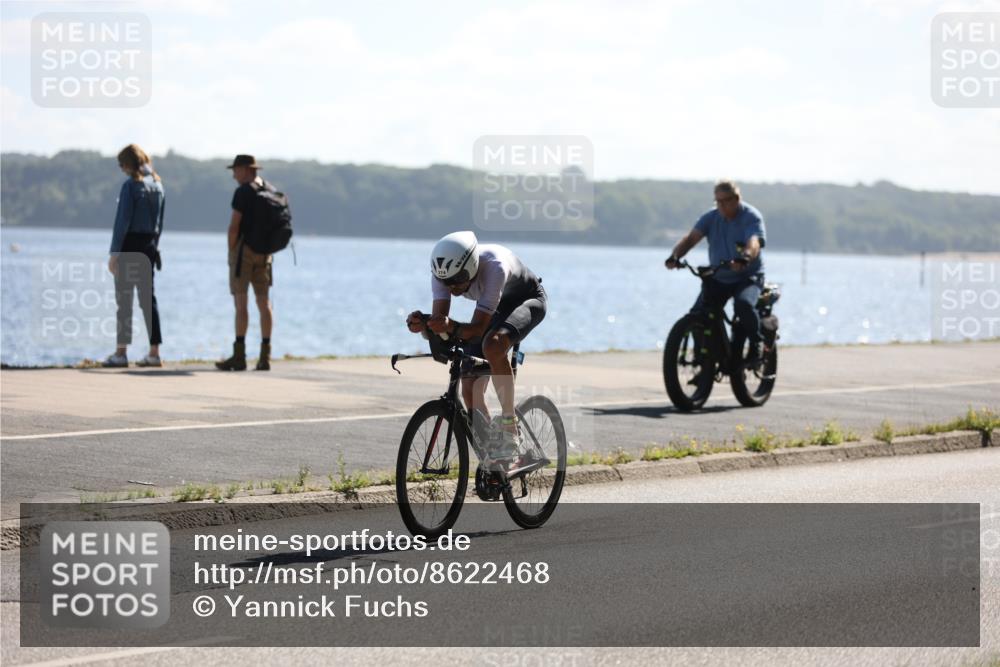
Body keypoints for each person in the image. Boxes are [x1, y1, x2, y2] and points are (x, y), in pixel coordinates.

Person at [406, 231, 546, 461]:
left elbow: (477, 330)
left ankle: (510, 427)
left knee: (493, 345)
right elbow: (443, 326)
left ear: (471, 266)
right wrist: (425, 325)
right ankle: (494, 459)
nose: (451, 287)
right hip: (494, 306)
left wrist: (447, 326)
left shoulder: (494, 267)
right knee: (469, 385)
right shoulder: (443, 273)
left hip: (527, 299)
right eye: (446, 282)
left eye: (458, 279)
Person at [666, 180, 768, 365]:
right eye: (717, 201)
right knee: (698, 315)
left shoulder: (750, 217)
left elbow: (754, 242)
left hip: (748, 277)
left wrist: (745, 257)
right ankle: (704, 362)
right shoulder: (711, 218)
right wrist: (675, 256)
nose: (721, 205)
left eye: (725, 201)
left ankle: (757, 343)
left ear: (736, 199)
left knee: (744, 305)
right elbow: (690, 239)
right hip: (719, 277)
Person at [104, 144, 165, 368]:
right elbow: (160, 223)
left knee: (124, 300)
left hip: (130, 244)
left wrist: (114, 254)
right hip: (149, 245)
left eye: (121, 164)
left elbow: (122, 222)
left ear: (129, 164)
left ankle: (121, 353)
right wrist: (154, 247)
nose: (121, 169)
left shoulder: (131, 187)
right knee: (148, 300)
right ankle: (154, 352)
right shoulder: (158, 186)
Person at [217, 154, 274, 371]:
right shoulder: (269, 188)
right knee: (264, 303)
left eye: (235, 170)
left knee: (241, 304)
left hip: (244, 253)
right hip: (265, 253)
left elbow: (234, 227)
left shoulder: (243, 191)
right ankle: (264, 356)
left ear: (246, 169)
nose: (233, 175)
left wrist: (232, 251)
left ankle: (239, 356)